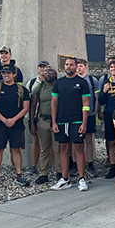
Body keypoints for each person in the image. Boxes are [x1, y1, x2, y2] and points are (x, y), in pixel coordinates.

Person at [50, 57, 91, 192]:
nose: (69, 67)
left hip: (77, 120)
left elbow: (86, 104)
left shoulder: (82, 83)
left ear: (76, 67)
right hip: (61, 121)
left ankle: (81, 179)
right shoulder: (58, 83)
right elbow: (54, 103)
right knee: (63, 149)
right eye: (66, 64)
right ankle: (64, 179)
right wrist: (54, 121)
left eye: (71, 65)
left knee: (79, 148)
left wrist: (84, 122)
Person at [0, 64, 31, 188]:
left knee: (16, 149)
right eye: (4, 73)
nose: (6, 75)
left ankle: (19, 175)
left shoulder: (22, 90)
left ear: (14, 74)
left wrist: (14, 119)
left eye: (9, 73)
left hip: (17, 124)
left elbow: (26, 108)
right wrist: (4, 120)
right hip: (0, 124)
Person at [0, 46, 24, 172]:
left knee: (15, 141)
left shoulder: (17, 71)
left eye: (6, 53)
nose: (4, 56)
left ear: (10, 55)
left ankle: (15, 165)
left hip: (13, 110)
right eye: (1, 53)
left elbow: (20, 90)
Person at [29, 65, 58, 184]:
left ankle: (59, 171)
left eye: (51, 72)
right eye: (46, 72)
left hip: (57, 122)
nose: (48, 74)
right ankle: (43, 173)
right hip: (42, 120)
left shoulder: (59, 87)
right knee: (44, 148)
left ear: (55, 75)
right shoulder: (39, 88)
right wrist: (32, 123)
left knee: (58, 149)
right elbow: (33, 106)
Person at [24, 60, 49, 175]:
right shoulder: (32, 82)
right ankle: (34, 165)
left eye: (45, 67)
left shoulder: (53, 82)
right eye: (41, 67)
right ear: (38, 68)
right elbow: (28, 101)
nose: (43, 69)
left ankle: (52, 166)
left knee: (52, 143)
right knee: (36, 140)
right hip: (35, 116)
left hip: (48, 116)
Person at [77, 58, 100, 178]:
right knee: (75, 140)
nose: (78, 68)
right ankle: (76, 164)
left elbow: (97, 98)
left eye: (80, 66)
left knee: (89, 139)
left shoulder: (92, 80)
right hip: (76, 115)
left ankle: (90, 163)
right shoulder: (73, 80)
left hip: (89, 114)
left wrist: (95, 112)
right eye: (77, 66)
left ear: (85, 67)